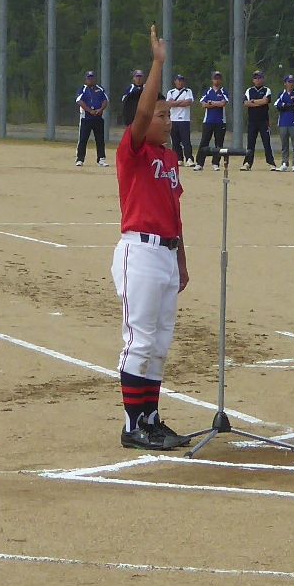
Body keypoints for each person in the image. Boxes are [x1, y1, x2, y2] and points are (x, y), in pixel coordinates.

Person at [109, 29, 192, 451]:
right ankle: (132, 424)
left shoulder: (169, 157)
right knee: (139, 340)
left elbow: (175, 212)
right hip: (138, 252)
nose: (166, 120)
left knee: (159, 344)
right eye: (162, 115)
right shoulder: (133, 150)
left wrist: (181, 260)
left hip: (164, 254)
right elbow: (143, 114)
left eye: (167, 115)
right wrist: (158, 63)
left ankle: (152, 418)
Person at [197, 72, 231, 170]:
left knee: (219, 143)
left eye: (218, 78)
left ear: (221, 80)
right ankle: (200, 163)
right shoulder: (208, 91)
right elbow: (203, 104)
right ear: (212, 80)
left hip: (220, 121)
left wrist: (211, 103)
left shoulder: (224, 91)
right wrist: (216, 103)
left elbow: (223, 103)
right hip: (208, 120)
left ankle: (215, 163)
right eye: (215, 78)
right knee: (204, 141)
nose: (217, 80)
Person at [73, 71, 108, 167]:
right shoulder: (82, 89)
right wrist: (89, 110)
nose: (90, 80)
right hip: (86, 118)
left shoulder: (100, 89)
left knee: (100, 139)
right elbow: (79, 101)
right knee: (83, 139)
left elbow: (105, 100)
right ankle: (80, 159)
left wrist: (100, 109)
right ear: (86, 79)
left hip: (98, 118)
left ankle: (101, 159)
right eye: (89, 78)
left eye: (92, 78)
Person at [240, 70, 273, 170]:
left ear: (263, 79)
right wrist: (258, 102)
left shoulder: (267, 90)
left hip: (264, 121)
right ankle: (247, 163)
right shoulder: (249, 90)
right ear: (253, 80)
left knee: (266, 142)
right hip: (252, 120)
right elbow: (246, 103)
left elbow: (266, 101)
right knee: (250, 143)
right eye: (256, 78)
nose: (257, 80)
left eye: (259, 78)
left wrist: (253, 101)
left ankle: (271, 163)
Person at [273, 75, 294, 171]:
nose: (291, 84)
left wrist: (287, 105)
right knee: (284, 144)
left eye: (293, 82)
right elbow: (277, 105)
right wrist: (287, 105)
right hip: (283, 122)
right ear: (285, 83)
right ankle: (284, 163)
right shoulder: (281, 94)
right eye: (289, 82)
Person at [165, 74, 196, 165]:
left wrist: (175, 103)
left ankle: (189, 158)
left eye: (182, 80)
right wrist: (180, 103)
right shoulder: (170, 92)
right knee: (175, 141)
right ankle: (179, 159)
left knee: (186, 140)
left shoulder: (187, 91)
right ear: (175, 82)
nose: (180, 82)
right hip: (173, 119)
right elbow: (169, 104)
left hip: (184, 119)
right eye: (178, 80)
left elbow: (188, 102)